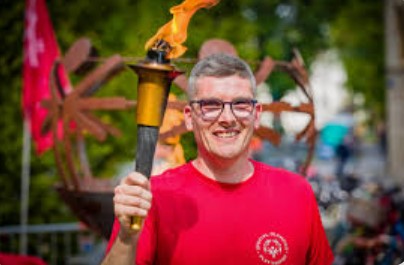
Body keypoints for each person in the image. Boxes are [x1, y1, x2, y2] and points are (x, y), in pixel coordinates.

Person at [101, 53, 334, 265]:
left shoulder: (296, 193)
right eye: (210, 105)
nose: (227, 118)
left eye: (241, 104)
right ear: (190, 118)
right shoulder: (153, 198)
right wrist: (126, 238)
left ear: (256, 115)